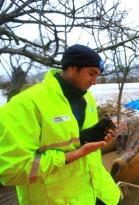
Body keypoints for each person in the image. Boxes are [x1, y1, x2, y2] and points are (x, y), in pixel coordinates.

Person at [0, 44, 120, 204]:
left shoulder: (87, 97)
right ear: (71, 68)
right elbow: (10, 171)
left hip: (99, 192)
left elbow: (70, 138)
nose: (95, 82)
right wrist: (71, 156)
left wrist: (88, 136)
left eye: (97, 76)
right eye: (91, 74)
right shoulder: (25, 105)